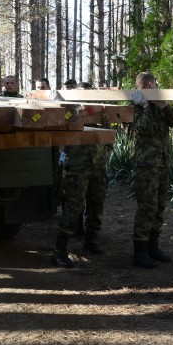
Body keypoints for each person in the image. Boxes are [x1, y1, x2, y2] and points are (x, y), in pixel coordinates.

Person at [51, 81, 111, 268]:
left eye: (88, 93)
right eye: (81, 93)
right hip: (78, 166)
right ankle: (60, 249)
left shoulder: (99, 111)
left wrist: (106, 153)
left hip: (99, 165)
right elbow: (59, 127)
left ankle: (91, 240)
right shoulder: (71, 112)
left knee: (97, 204)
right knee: (73, 207)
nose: (85, 96)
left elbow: (109, 134)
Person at [130, 72, 173, 268]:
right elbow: (143, 129)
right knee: (146, 208)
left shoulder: (160, 105)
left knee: (159, 206)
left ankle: (153, 246)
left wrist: (165, 107)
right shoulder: (136, 105)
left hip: (162, 163)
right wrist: (145, 107)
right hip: (146, 165)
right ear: (146, 86)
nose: (154, 87)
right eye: (150, 85)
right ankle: (140, 251)